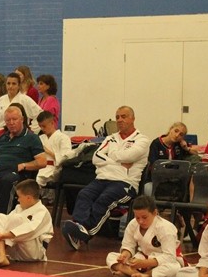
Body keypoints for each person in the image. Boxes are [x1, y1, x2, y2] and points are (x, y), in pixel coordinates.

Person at [61, 106, 150, 250]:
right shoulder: (111, 138)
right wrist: (119, 163)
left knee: (104, 199)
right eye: (117, 117)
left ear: (133, 118)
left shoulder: (142, 140)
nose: (120, 120)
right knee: (84, 194)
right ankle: (78, 229)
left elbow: (129, 156)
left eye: (124, 116)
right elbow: (96, 158)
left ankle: (83, 233)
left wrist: (109, 156)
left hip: (125, 183)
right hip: (103, 179)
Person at [106, 195, 183, 277]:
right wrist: (124, 255)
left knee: (174, 269)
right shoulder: (133, 224)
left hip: (164, 262)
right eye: (137, 217)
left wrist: (145, 263)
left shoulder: (166, 228)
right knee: (111, 256)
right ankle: (136, 274)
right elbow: (128, 245)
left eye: (144, 217)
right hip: (141, 259)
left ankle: (143, 275)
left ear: (155, 213)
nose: (141, 221)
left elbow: (170, 257)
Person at [0, 179, 53, 268]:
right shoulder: (19, 208)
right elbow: (6, 222)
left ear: (28, 198)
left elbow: (31, 230)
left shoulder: (42, 211)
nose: (18, 200)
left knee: (16, 219)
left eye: (19, 197)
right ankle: (2, 256)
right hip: (16, 251)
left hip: (34, 252)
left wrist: (2, 235)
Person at [35, 111, 71, 187]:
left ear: (52, 123)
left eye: (44, 126)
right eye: (40, 126)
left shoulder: (63, 138)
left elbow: (66, 159)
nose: (42, 129)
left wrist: (46, 151)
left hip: (55, 169)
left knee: (38, 180)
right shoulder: (40, 138)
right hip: (39, 168)